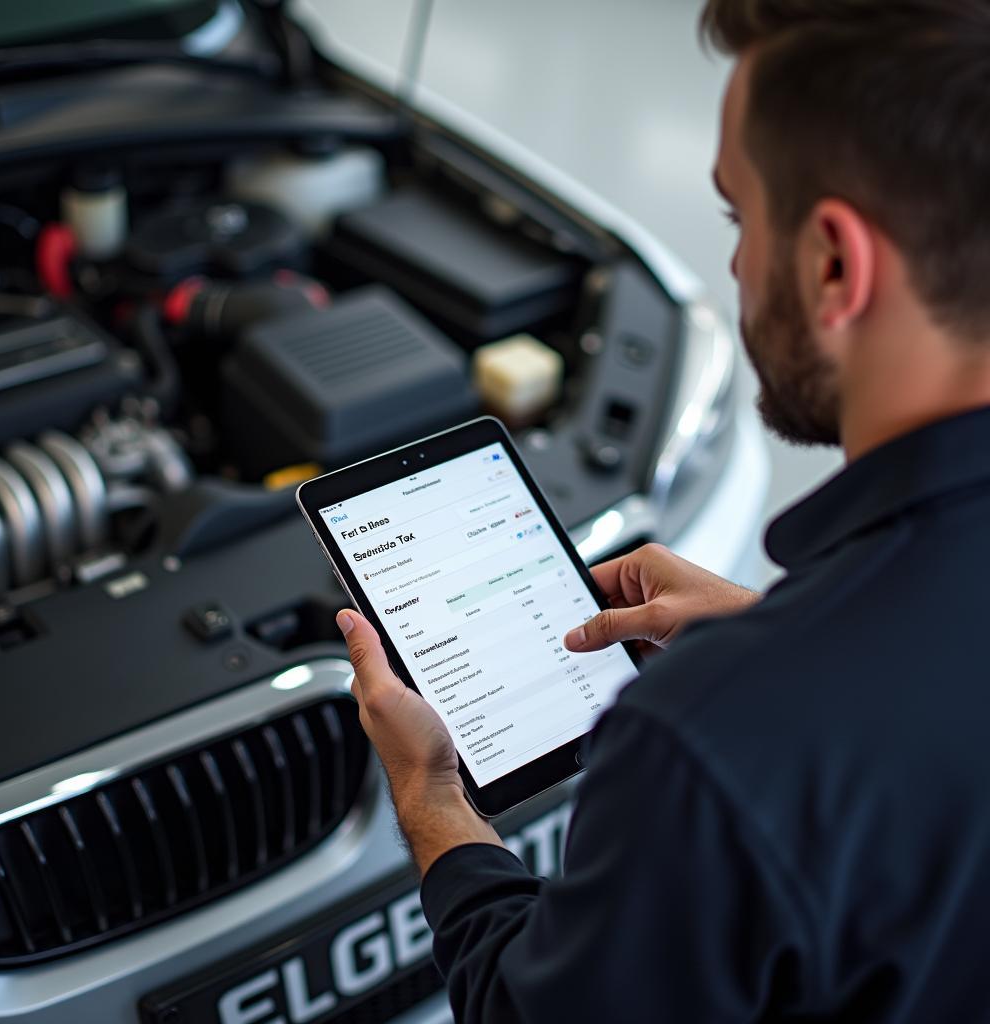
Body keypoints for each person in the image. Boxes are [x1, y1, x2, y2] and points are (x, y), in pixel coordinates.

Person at [336, 1, 990, 1019]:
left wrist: (429, 800)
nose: (731, 264)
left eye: (738, 217)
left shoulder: (712, 747)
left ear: (831, 262)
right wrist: (779, 641)